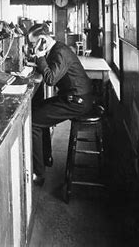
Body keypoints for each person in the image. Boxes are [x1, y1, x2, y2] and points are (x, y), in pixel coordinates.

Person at [27, 22, 93, 186]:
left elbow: (50, 79)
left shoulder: (60, 52)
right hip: (72, 97)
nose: (31, 47)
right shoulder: (57, 49)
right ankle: (46, 157)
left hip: (77, 101)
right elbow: (52, 70)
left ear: (42, 40)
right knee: (37, 109)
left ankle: (38, 173)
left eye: (33, 43)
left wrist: (40, 56)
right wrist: (38, 61)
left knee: (34, 121)